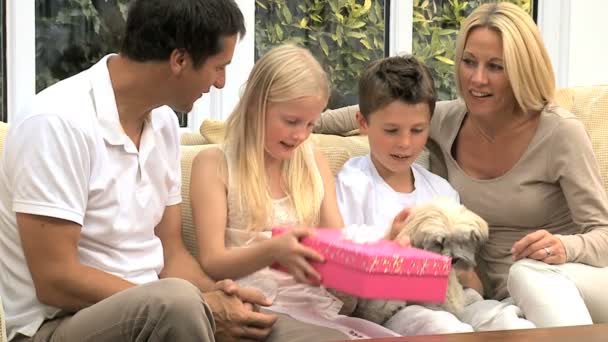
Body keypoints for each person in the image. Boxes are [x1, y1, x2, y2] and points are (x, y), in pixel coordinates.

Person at [0, 1, 279, 341]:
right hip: (59, 325)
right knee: (179, 304)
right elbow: (56, 279)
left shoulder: (161, 123)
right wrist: (201, 306)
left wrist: (222, 296)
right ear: (179, 60)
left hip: (167, 312)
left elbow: (172, 252)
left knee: (280, 326)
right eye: (219, 67)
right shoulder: (55, 123)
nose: (220, 83)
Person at [190, 44, 401, 341]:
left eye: (311, 124)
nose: (300, 134)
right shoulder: (213, 164)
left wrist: (389, 242)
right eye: (291, 121)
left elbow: (338, 245)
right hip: (258, 304)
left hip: (316, 305)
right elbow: (212, 260)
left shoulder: (312, 159)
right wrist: (273, 250)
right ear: (255, 105)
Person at [429, 2, 608, 327]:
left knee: (526, 273)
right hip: (509, 301)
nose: (477, 79)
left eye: (496, 67)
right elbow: (375, 111)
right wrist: (306, 128)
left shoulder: (559, 132)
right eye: (469, 62)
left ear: (522, 69)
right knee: (503, 313)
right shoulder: (446, 120)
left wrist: (564, 247)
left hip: (577, 282)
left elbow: (605, 236)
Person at [334, 55, 534, 335]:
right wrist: (391, 242)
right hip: (393, 309)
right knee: (441, 325)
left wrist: (460, 269)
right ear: (363, 123)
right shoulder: (353, 184)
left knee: (507, 319)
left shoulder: (439, 190)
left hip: (452, 297)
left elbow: (470, 281)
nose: (405, 143)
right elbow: (345, 276)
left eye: (418, 130)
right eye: (391, 130)